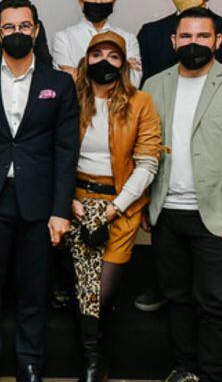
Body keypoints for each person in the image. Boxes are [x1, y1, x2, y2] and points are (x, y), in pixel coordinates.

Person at [143, 7, 222, 382]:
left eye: (202, 37)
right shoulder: (154, 85)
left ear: (217, 41)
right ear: (173, 41)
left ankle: (214, 375)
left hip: (219, 216)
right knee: (177, 299)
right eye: (186, 37)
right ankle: (185, 369)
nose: (193, 43)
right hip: (166, 213)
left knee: (216, 303)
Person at [0, 0, 78, 382]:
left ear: (36, 29)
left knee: (33, 290)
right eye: (8, 27)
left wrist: (61, 210)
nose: (17, 33)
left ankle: (30, 364)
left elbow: (66, 151)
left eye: (24, 26)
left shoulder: (58, 83)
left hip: (39, 203)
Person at [133, 0, 222, 313]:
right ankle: (164, 287)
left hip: (212, 142)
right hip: (165, 139)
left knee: (210, 251)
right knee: (165, 235)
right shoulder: (151, 33)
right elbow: (146, 93)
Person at [64, 32, 162, 382]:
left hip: (120, 206)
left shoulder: (141, 102)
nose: (104, 61)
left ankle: (96, 354)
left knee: (100, 292)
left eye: (113, 56)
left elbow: (148, 163)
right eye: (97, 54)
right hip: (76, 202)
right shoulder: (70, 99)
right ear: (86, 60)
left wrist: (114, 209)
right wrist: (67, 200)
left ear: (123, 64)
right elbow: (55, 153)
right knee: (85, 290)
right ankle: (93, 362)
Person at [51, 0, 142, 84]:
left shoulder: (128, 38)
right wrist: (121, 69)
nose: (98, 2)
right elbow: (65, 84)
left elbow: (132, 83)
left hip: (119, 103)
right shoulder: (63, 38)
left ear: (114, 0)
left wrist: (80, 72)